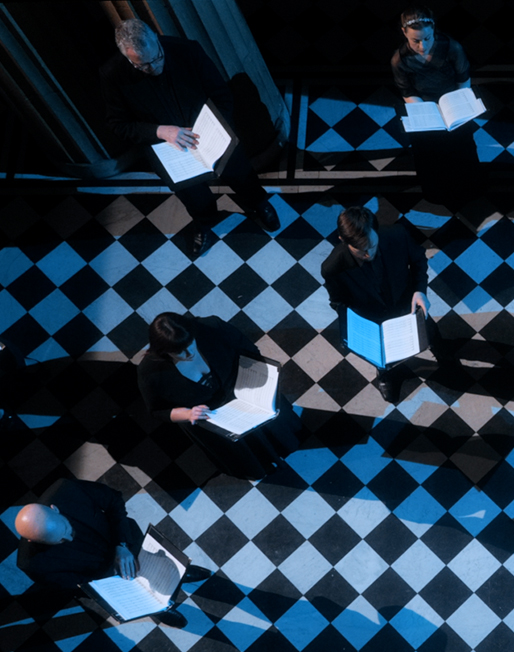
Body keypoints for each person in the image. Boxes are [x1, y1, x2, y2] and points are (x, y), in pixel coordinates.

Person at [101, 19, 279, 259]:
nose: (154, 68)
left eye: (157, 58)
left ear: (156, 37)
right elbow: (118, 125)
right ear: (128, 58)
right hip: (167, 146)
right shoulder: (113, 75)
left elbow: (221, 93)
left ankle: (257, 203)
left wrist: (216, 127)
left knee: (239, 172)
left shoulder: (187, 50)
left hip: (209, 131)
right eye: (142, 66)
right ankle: (205, 221)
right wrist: (160, 131)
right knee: (192, 193)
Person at [16, 479, 212, 628]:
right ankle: (158, 608)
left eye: (66, 528)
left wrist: (122, 544)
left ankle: (180, 574)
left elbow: (113, 500)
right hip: (105, 574)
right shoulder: (32, 564)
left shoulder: (67, 489)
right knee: (142, 592)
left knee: (156, 563)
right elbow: (77, 586)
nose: (69, 538)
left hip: (125, 541)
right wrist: (112, 584)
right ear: (33, 542)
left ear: (55, 509)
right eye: (59, 541)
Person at [137, 313, 301, 479]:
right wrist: (188, 413)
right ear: (163, 352)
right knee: (244, 453)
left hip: (242, 390)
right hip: (211, 415)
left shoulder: (212, 327)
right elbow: (157, 410)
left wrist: (254, 376)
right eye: (179, 352)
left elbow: (248, 349)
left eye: (191, 344)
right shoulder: (150, 372)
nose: (189, 353)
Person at [321, 206, 457, 403]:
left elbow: (418, 260)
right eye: (362, 251)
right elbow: (338, 303)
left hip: (406, 304)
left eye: (372, 246)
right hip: (372, 319)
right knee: (381, 355)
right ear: (343, 241)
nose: (369, 255)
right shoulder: (332, 267)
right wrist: (355, 325)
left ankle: (444, 357)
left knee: (429, 331)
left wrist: (420, 290)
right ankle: (385, 375)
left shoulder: (397, 235)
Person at [390, 5, 482, 212]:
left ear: (434, 32)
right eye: (416, 41)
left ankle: (469, 189)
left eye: (427, 39)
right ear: (404, 33)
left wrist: (458, 105)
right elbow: (407, 92)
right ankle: (437, 192)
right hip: (423, 104)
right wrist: (428, 113)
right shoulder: (399, 60)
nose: (423, 46)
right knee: (429, 151)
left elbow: (463, 80)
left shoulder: (451, 47)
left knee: (462, 143)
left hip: (453, 99)